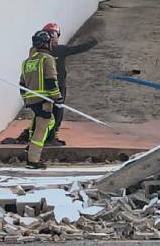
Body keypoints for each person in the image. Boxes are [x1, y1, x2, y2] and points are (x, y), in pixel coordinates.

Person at [9, 22, 98, 145]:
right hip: (55, 87)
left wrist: (25, 96)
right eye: (56, 35)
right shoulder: (56, 52)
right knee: (55, 114)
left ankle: (38, 137)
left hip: (38, 90)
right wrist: (93, 41)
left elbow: (24, 77)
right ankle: (49, 138)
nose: (56, 38)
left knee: (42, 115)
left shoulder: (33, 53)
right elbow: (77, 49)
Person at [19, 30, 62, 169]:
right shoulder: (47, 59)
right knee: (41, 129)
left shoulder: (27, 62)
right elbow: (51, 81)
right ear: (47, 43)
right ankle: (33, 161)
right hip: (44, 100)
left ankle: (30, 146)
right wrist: (58, 98)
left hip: (31, 100)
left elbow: (22, 84)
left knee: (45, 121)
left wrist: (26, 100)